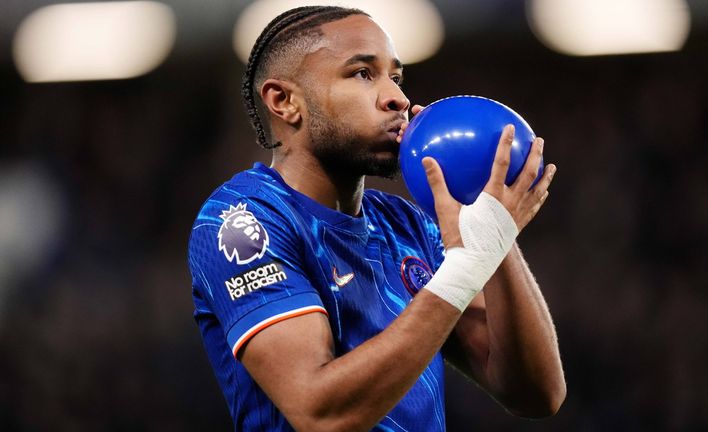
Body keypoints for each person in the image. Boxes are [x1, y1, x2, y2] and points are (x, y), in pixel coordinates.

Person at [188, 5, 565, 431]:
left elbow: (536, 393)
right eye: (362, 73)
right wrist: (465, 266)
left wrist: (495, 234)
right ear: (284, 101)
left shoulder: (407, 225)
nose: (398, 99)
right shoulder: (242, 219)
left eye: (396, 77)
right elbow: (321, 414)